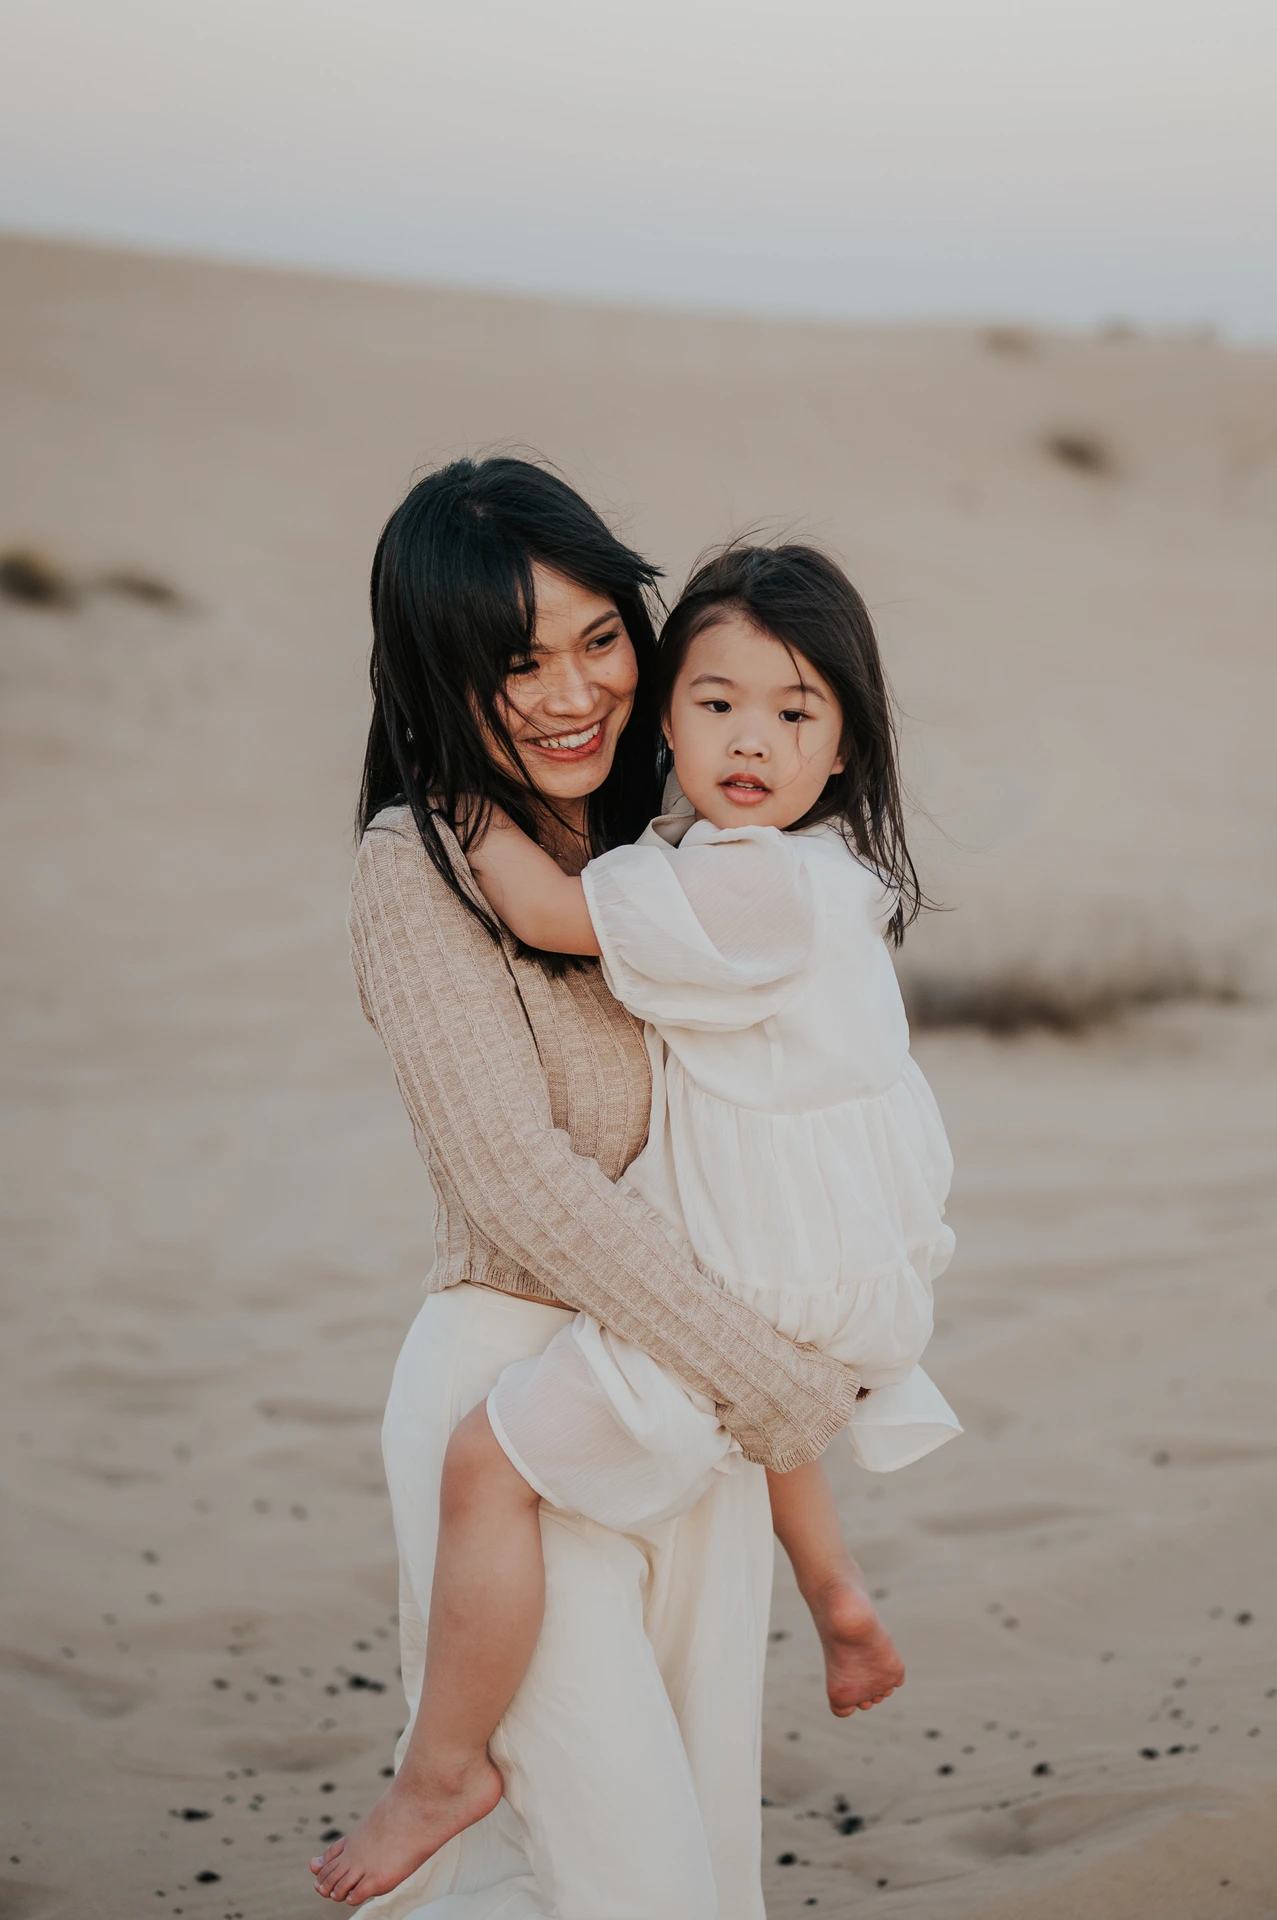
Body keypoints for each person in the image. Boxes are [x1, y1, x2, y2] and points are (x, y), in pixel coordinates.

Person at [314, 531, 959, 1912]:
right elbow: (511, 1178)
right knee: (634, 1875)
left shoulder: (673, 844)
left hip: (700, 1412)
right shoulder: (421, 855)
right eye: (514, 659)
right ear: (438, 672)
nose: (566, 691)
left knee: (704, 1858)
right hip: (544, 1384)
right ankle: (437, 1771)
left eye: (598, 642)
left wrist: (758, 1375)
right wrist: (762, 1372)